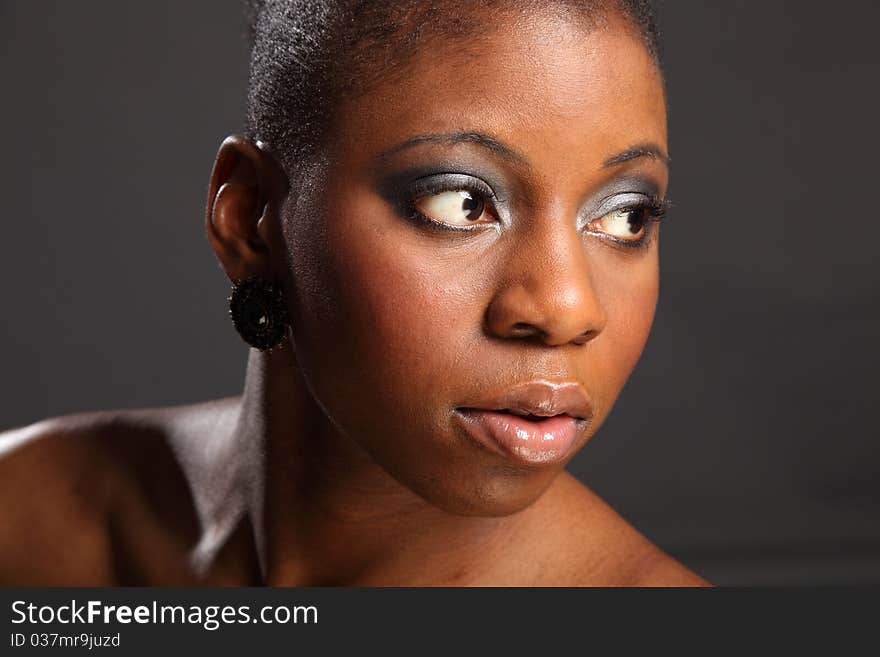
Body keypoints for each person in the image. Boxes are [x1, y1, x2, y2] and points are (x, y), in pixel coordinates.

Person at [0, 0, 710, 586]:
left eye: (626, 216)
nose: (567, 308)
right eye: (462, 203)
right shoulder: (29, 521)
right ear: (250, 218)